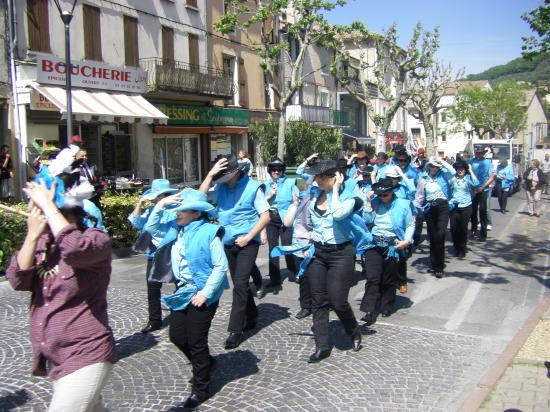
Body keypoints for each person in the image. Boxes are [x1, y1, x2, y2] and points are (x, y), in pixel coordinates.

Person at [6, 148, 115, 411]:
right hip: (58, 358)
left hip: (87, 353)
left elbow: (74, 249)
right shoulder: (44, 241)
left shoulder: (95, 240)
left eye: (41, 206)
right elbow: (18, 280)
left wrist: (47, 205)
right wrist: (32, 236)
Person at [144, 188, 229, 410]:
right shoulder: (175, 229)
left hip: (204, 292)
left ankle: (201, 388)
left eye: (182, 210)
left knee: (196, 341)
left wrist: (205, 293)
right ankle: (208, 363)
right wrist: (161, 205)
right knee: (177, 336)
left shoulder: (209, 232)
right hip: (183, 291)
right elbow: (150, 228)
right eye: (176, 209)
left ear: (196, 213)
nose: (177, 213)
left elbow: (221, 267)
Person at [199, 154, 270, 350]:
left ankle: (235, 330)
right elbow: (199, 197)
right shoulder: (220, 187)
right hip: (228, 241)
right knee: (240, 283)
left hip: (248, 241)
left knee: (239, 283)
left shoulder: (253, 187)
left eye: (223, 176)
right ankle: (253, 314)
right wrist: (210, 175)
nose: (221, 181)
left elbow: (265, 216)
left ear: (235, 172)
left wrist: (249, 237)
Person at [301, 159, 363, 363]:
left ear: (335, 177)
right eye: (316, 176)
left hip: (341, 253)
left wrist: (335, 189)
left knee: (337, 301)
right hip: (318, 252)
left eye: (321, 177)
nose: (316, 180)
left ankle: (353, 331)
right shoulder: (315, 193)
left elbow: (337, 215)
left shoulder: (350, 197)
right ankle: (322, 346)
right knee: (318, 300)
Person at [360, 177, 415, 324]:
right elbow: (367, 221)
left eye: (386, 195)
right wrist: (368, 203)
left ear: (392, 192)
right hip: (374, 244)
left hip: (393, 245)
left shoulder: (403, 204)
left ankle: (387, 304)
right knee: (373, 278)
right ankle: (370, 309)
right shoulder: (375, 202)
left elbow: (410, 225)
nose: (383, 198)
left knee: (388, 279)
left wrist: (407, 241)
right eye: (380, 195)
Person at [128, 179, 179, 333]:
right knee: (152, 288)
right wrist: (140, 204)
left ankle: (179, 315)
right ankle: (154, 320)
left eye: (161, 196)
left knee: (179, 284)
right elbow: (135, 222)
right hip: (153, 254)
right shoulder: (151, 210)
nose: (159, 199)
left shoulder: (174, 210)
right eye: (156, 196)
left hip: (171, 252)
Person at [414, 157, 456, 278]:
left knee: (440, 234)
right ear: (428, 167)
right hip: (429, 208)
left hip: (442, 206)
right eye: (432, 166)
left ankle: (439, 266)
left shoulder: (444, 176)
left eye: (436, 167)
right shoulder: (423, 179)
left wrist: (442, 161)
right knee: (432, 236)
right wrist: (415, 210)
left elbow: (453, 172)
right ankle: (434, 265)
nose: (434, 168)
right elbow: (419, 196)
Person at [263, 158, 299, 287]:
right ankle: (274, 278)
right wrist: (269, 195)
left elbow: (297, 200)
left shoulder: (290, 183)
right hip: (271, 218)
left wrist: (292, 210)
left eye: (279, 169)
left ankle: (294, 272)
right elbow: (260, 204)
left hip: (286, 218)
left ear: (283, 170)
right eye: (274, 169)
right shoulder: (266, 185)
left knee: (287, 246)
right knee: (273, 248)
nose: (276, 172)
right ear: (270, 171)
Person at [449, 161, 479, 258]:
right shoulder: (453, 178)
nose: (460, 171)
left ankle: (462, 248)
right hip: (455, 206)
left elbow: (477, 183)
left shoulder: (468, 178)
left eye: (462, 169)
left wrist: (471, 171)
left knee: (463, 228)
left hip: (466, 206)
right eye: (459, 169)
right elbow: (448, 187)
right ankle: (456, 245)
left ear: (465, 170)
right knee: (454, 228)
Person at [468, 146, 494, 241]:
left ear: (483, 153)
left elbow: (491, 177)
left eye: (480, 153)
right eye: (477, 152)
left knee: (483, 211)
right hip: (472, 189)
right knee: (473, 211)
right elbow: (466, 174)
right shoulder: (470, 161)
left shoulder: (488, 162)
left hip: (483, 190)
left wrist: (482, 187)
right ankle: (473, 230)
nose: (478, 154)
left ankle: (483, 233)